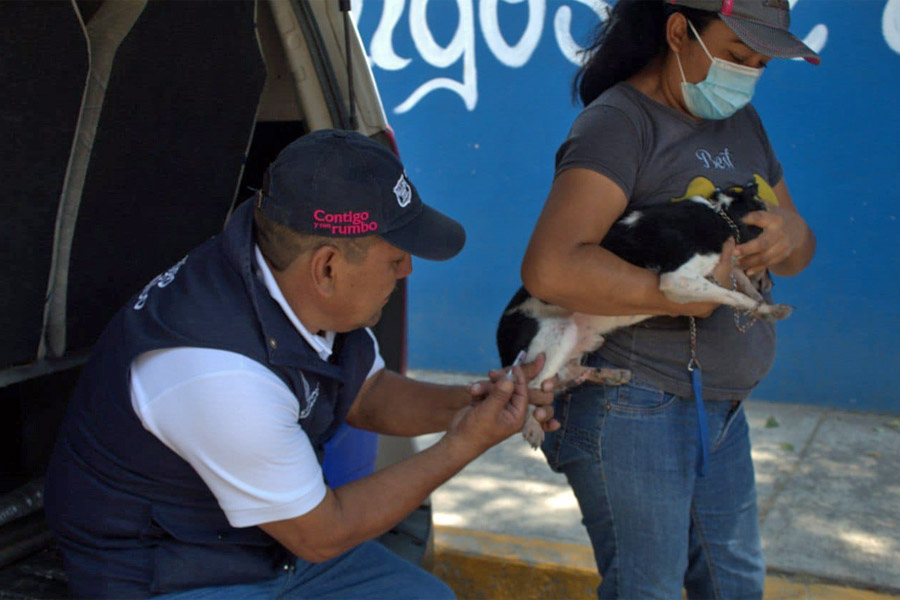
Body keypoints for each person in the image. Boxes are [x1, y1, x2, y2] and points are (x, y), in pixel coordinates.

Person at [44, 129, 557, 599]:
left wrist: (480, 404)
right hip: (166, 571)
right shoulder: (217, 373)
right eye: (395, 254)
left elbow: (370, 396)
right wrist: (466, 444)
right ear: (328, 267)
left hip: (265, 544)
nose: (408, 268)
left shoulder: (292, 283)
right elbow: (323, 534)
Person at [521, 0, 818, 597]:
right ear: (679, 31)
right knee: (647, 589)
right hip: (635, 404)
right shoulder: (620, 123)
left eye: (760, 62)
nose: (748, 74)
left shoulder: (744, 123)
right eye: (736, 56)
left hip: (720, 409)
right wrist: (683, 296)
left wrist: (794, 232)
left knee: (733, 584)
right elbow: (550, 268)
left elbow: (798, 254)